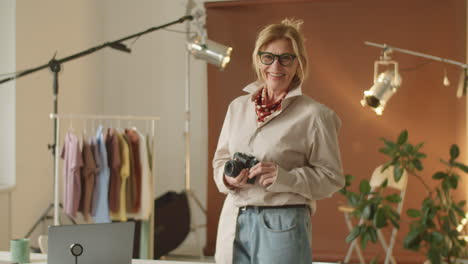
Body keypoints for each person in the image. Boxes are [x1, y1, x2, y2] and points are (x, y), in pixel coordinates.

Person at [212, 18, 344, 264]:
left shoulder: (316, 115)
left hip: (283, 222)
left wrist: (285, 178)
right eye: (268, 57)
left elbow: (332, 178)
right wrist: (227, 178)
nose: (276, 66)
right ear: (258, 59)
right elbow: (220, 159)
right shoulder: (237, 108)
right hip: (234, 217)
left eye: (286, 58)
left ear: (298, 64)